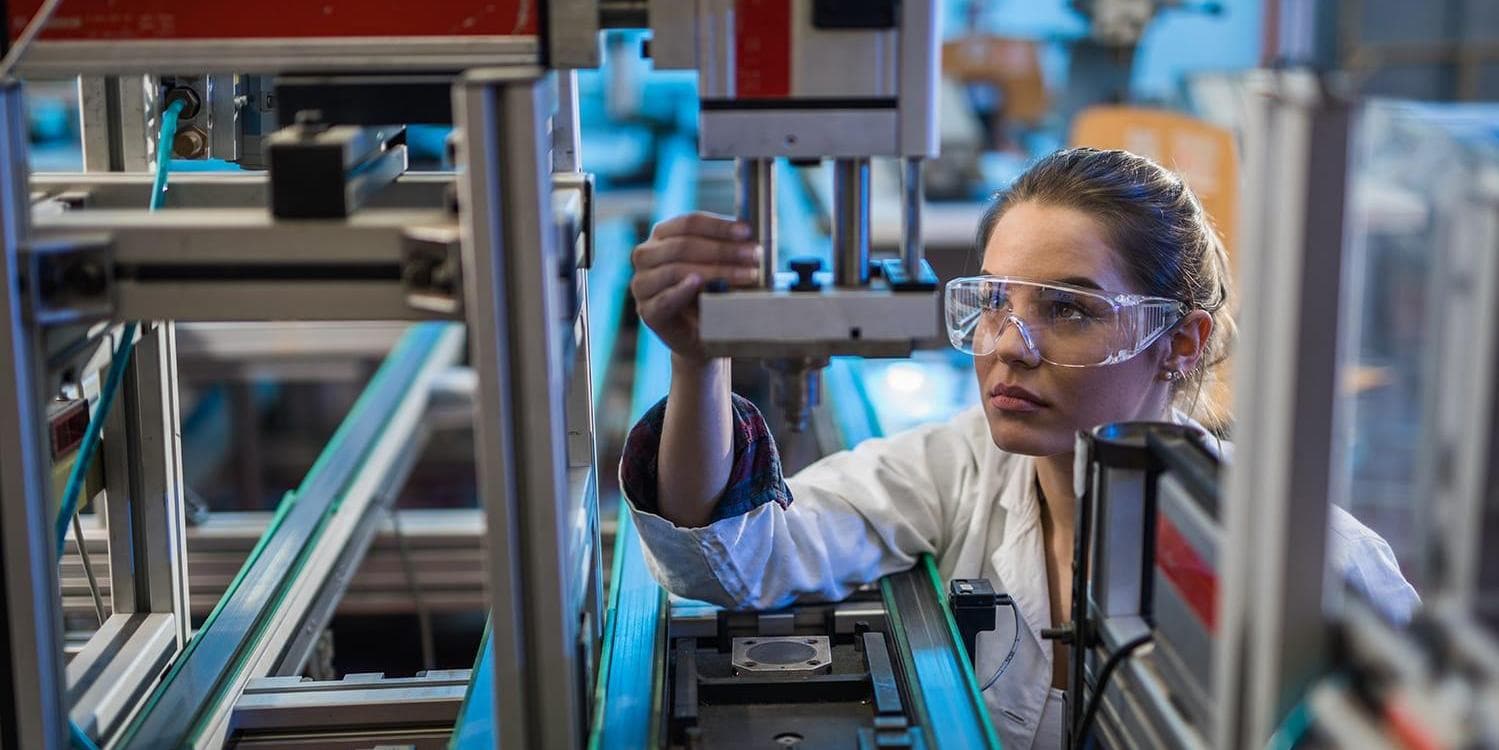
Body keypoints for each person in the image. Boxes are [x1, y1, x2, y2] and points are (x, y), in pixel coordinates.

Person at [619, 148, 1418, 749]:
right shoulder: (958, 469)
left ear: (1179, 340)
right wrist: (698, 358)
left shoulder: (1321, 571)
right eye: (994, 302)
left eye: (1067, 310)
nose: (1009, 346)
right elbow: (732, 559)